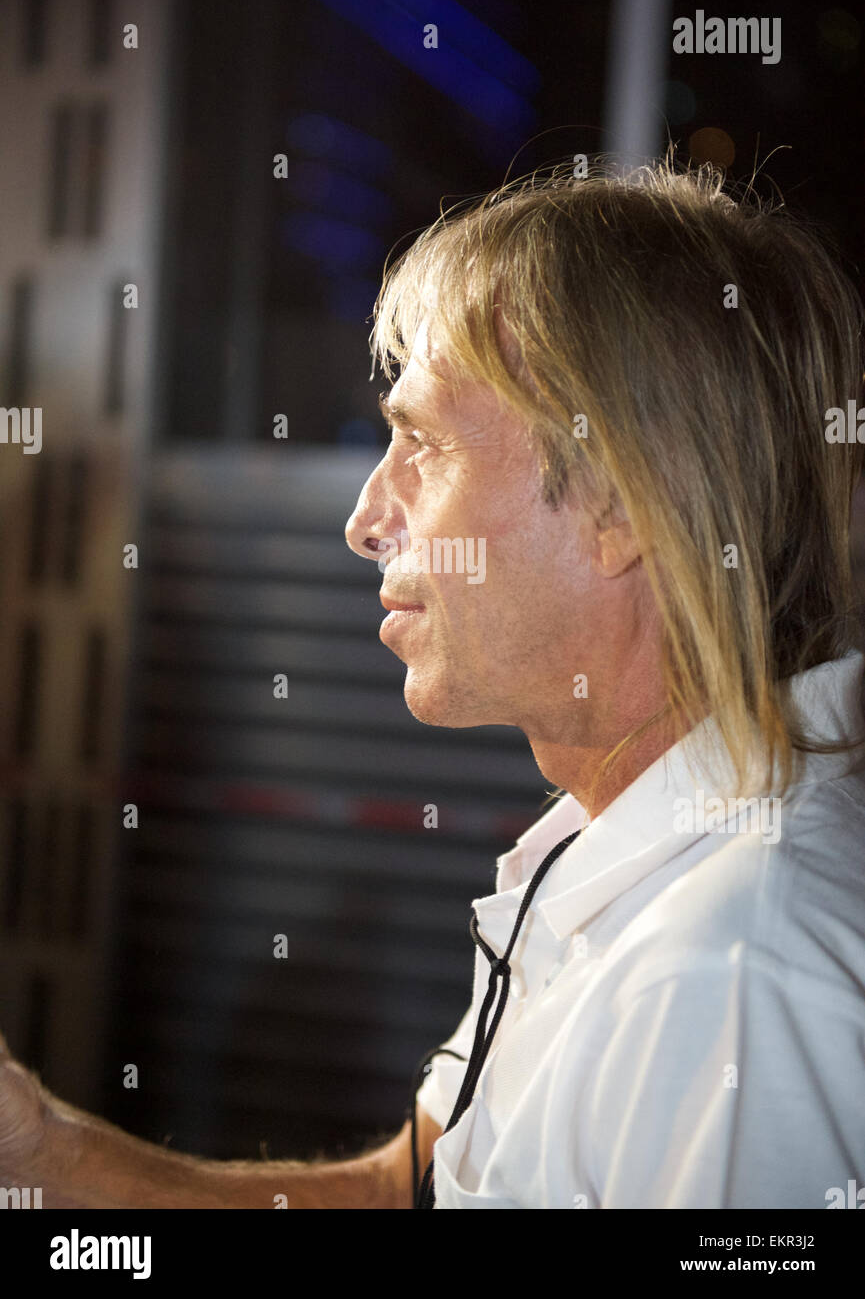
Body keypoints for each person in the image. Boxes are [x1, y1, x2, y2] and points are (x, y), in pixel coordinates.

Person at [2, 154, 864, 1207]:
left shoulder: (729, 978)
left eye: (423, 444)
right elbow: (402, 1195)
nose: (366, 519)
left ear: (622, 504)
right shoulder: (609, 848)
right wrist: (40, 1156)